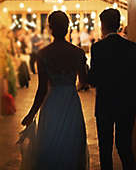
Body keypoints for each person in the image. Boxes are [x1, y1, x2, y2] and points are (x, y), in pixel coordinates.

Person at [21, 11, 89, 170]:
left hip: (51, 104)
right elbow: (84, 82)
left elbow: (42, 89)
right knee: (71, 144)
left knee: (50, 144)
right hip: (71, 103)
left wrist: (31, 114)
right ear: (67, 28)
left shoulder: (43, 54)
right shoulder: (78, 53)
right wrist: (71, 88)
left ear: (50, 28)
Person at [88, 8, 136, 170]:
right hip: (127, 104)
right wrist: (133, 101)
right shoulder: (133, 47)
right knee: (125, 147)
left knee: (105, 150)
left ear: (103, 25)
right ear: (119, 24)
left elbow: (93, 81)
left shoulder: (98, 48)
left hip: (105, 104)